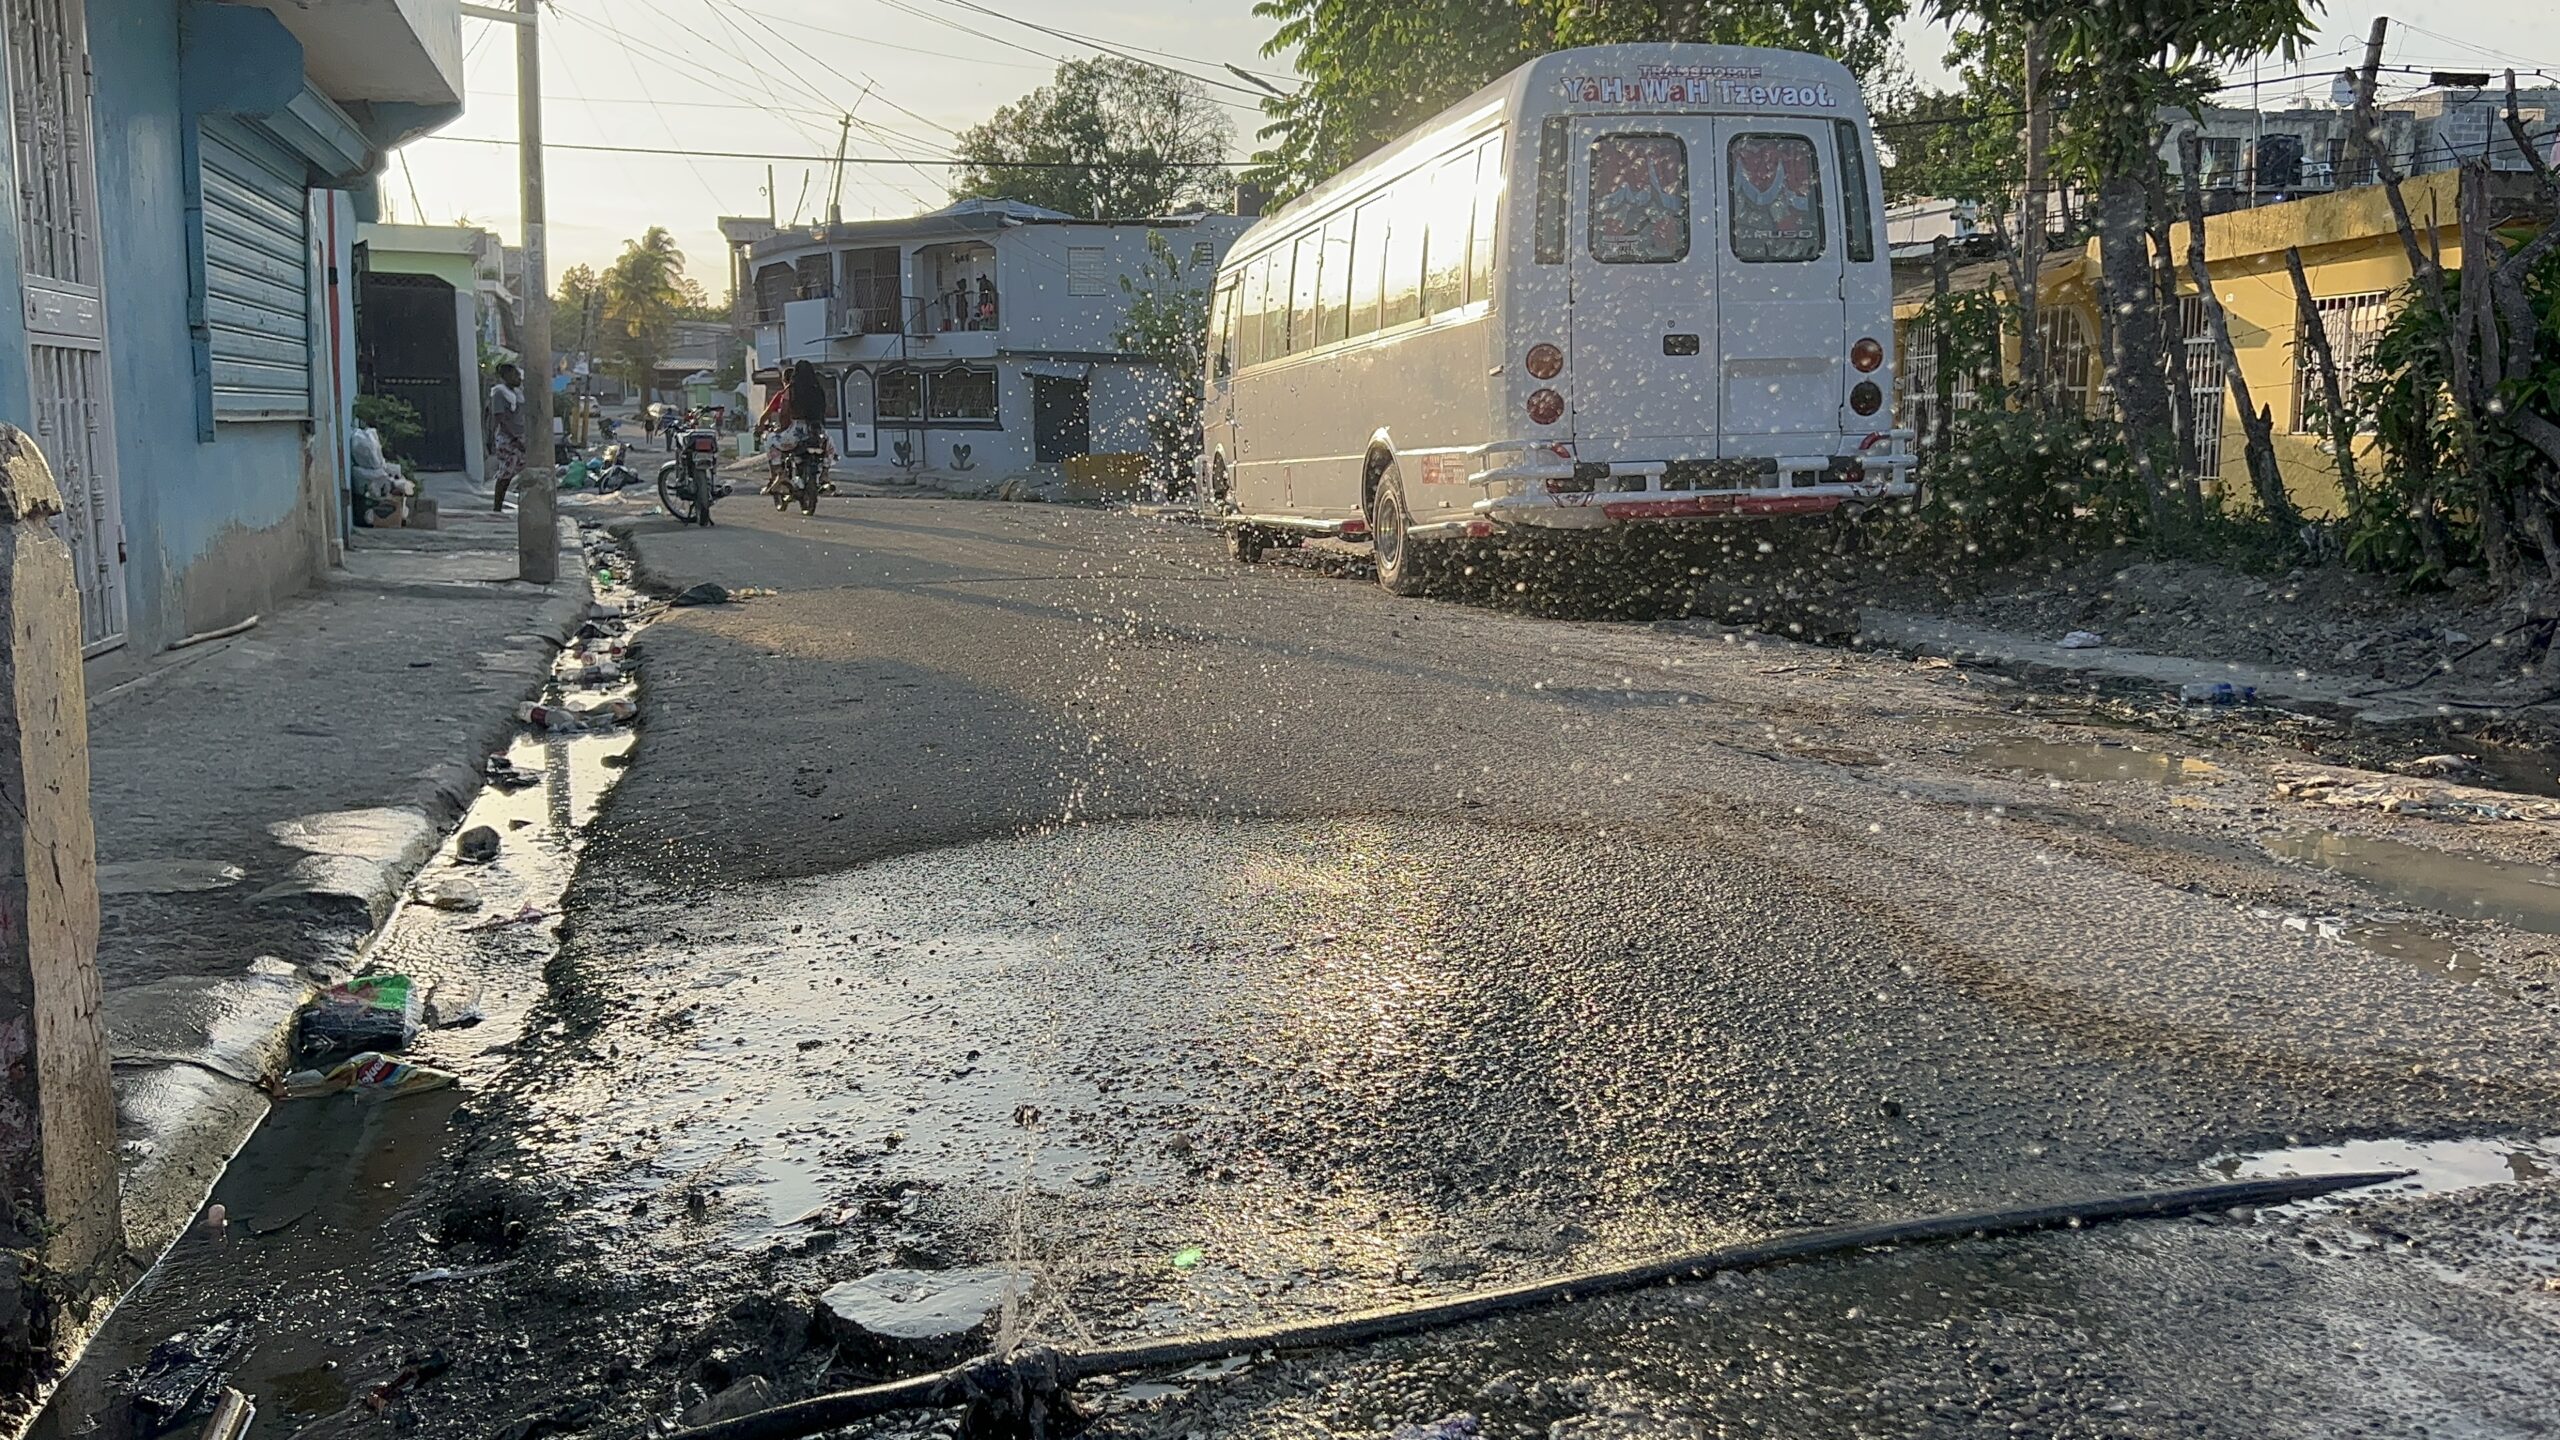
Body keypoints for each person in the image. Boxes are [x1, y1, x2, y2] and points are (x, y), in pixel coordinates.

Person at [486, 363, 526, 513]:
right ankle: (497, 507)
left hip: (518, 436)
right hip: (507, 438)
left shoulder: (517, 393)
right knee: (506, 473)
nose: (519, 378)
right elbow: (501, 419)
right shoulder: (499, 394)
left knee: (520, 470)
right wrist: (515, 438)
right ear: (506, 376)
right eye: (515, 375)